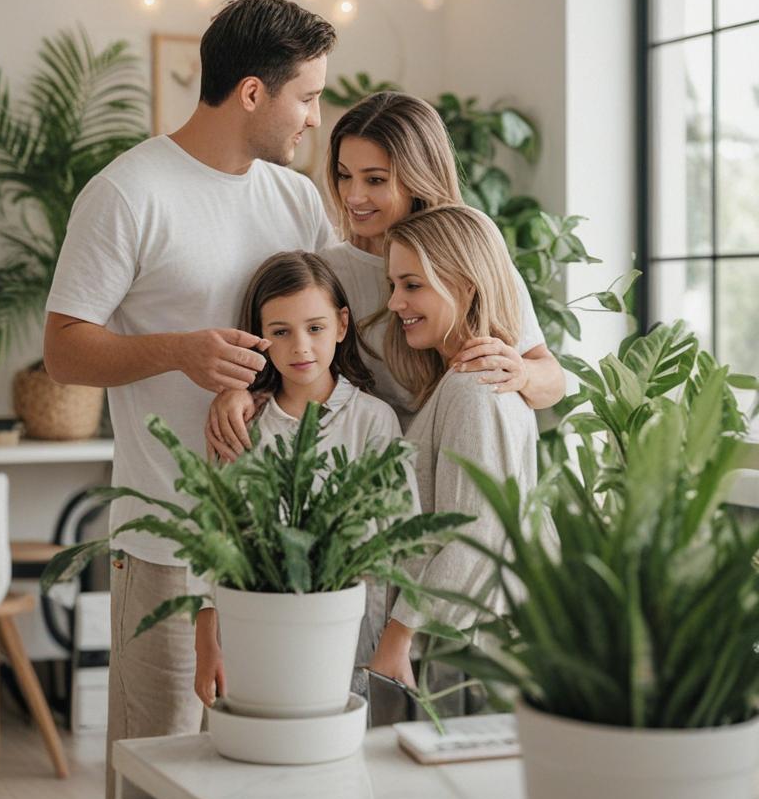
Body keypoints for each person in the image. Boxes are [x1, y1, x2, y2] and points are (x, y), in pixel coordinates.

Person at [42, 0, 337, 799]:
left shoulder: (298, 203)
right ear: (252, 93)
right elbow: (64, 352)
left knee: (267, 773)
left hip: (281, 548)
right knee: (157, 773)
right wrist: (180, 352)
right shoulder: (127, 192)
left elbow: (322, 345)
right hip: (167, 541)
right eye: (306, 97)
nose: (313, 119)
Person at [206, 91, 564, 457]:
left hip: (469, 443)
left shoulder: (467, 251)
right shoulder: (331, 272)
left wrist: (521, 373)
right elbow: (287, 358)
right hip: (381, 464)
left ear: (418, 177)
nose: (354, 196)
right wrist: (239, 392)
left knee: (480, 387)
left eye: (375, 180)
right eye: (345, 176)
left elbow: (552, 379)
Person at [193, 250, 413, 709]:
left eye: (315, 328)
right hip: (253, 632)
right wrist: (206, 642)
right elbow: (215, 538)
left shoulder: (373, 421)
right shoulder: (244, 424)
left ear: (342, 324)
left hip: (353, 634)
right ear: (259, 337)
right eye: (280, 332)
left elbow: (400, 535)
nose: (301, 347)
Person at [368, 205, 539, 687]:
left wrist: (397, 637)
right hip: (454, 638)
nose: (396, 302)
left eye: (412, 284)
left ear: (465, 285)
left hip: (461, 647)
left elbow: (475, 535)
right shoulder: (464, 380)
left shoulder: (476, 386)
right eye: (393, 286)